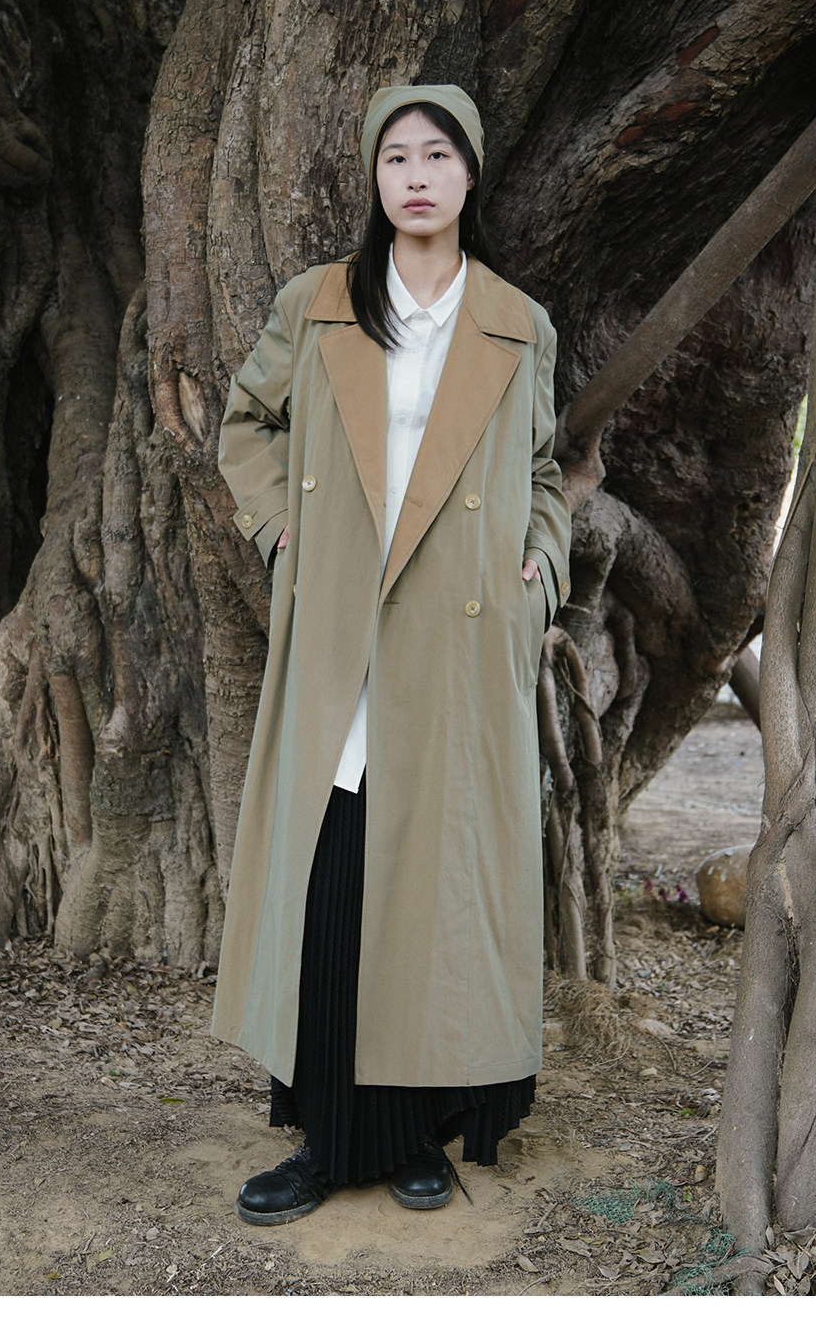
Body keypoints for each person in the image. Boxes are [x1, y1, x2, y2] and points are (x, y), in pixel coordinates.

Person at [212, 83, 572, 1225]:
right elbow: (246, 425)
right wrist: (281, 531)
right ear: (375, 179)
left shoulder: (517, 322)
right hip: (342, 630)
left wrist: (541, 565)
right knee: (335, 869)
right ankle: (327, 1142)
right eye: (396, 158)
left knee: (432, 885)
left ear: (471, 174)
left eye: (438, 155)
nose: (417, 176)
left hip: (457, 642)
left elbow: (546, 474)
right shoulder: (320, 303)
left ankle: (417, 1134)